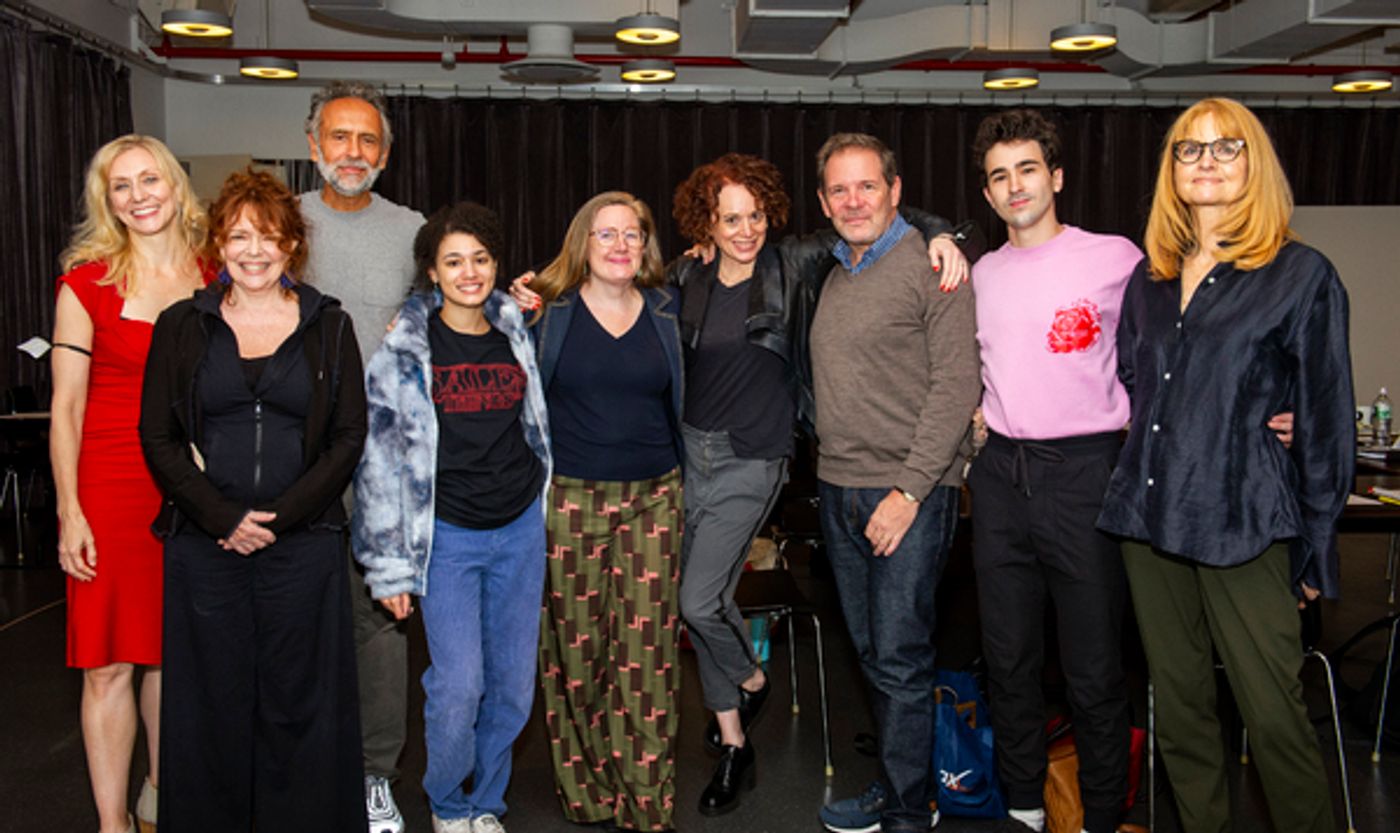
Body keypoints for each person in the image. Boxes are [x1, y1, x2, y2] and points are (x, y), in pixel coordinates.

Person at [663, 153, 969, 818]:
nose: (747, 230)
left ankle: (752, 678)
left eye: (757, 215)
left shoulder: (795, 261)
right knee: (707, 598)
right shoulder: (685, 273)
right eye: (730, 219)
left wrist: (945, 233)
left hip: (756, 454)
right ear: (706, 224)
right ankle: (735, 742)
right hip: (690, 455)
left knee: (696, 598)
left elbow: (879, 217)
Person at [1097, 97, 1353, 833]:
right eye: (1189, 150)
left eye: (1226, 147)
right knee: (1180, 716)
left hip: (1243, 522)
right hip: (1148, 523)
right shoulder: (1148, 280)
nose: (1205, 161)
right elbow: (1135, 382)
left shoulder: (1301, 274)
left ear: (1255, 165)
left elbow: (1328, 420)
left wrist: (1315, 543)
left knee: (1274, 717)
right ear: (1171, 171)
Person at [138, 169, 368, 833]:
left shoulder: (330, 324)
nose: (254, 250)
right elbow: (158, 437)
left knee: (302, 702)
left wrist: (282, 516)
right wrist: (222, 517)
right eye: (239, 235)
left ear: (292, 246)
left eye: (269, 236)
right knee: (210, 701)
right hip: (204, 546)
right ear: (218, 242)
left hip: (307, 544)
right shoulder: (181, 326)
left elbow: (350, 434)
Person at [964, 109, 1141, 833]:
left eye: (1028, 168)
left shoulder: (1117, 259)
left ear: (1057, 176)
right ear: (987, 191)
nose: (1015, 186)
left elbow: (1181, 349)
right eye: (999, 175)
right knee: (1007, 660)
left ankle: (1102, 816)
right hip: (1001, 475)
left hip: (1086, 472)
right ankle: (1025, 806)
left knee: (1094, 668)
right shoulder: (980, 272)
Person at [353, 202, 551, 833]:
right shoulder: (402, 351)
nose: (470, 272)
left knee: (514, 688)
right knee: (459, 685)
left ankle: (486, 802)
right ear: (432, 273)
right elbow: (378, 464)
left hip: (519, 529)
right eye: (454, 261)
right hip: (446, 537)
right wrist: (388, 568)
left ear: (497, 264)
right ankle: (447, 802)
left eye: (482, 259)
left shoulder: (517, 331)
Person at [805, 133, 981, 833]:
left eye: (867, 186)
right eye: (839, 190)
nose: (854, 201)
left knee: (902, 657)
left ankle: (911, 810)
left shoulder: (933, 268)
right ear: (824, 201)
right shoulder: (832, 271)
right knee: (876, 655)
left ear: (896, 190)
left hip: (907, 493)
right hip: (838, 488)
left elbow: (955, 387)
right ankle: (895, 782)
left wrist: (909, 493)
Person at [51, 134, 208, 833]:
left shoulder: (216, 273)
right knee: (109, 665)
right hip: (111, 486)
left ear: (175, 186)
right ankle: (113, 824)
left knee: (172, 656)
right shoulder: (85, 282)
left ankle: (158, 794)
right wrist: (68, 510)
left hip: (192, 488)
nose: (139, 195)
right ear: (106, 201)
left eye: (151, 180)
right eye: (122, 186)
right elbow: (67, 406)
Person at [530, 191, 684, 833]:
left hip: (656, 497)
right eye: (606, 235)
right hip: (570, 500)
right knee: (578, 651)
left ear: (646, 245)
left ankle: (646, 796)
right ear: (582, 245)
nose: (621, 245)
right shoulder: (547, 313)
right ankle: (588, 790)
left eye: (633, 234)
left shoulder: (671, 312)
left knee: (648, 654)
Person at [299, 79, 425, 833]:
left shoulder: (412, 229)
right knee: (298, 614)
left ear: (385, 152)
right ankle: (306, 762)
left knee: (381, 616)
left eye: (367, 139)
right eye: (339, 138)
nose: (353, 152)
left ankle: (378, 774)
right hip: (293, 454)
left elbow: (442, 316)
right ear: (314, 146)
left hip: (384, 456)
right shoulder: (279, 224)